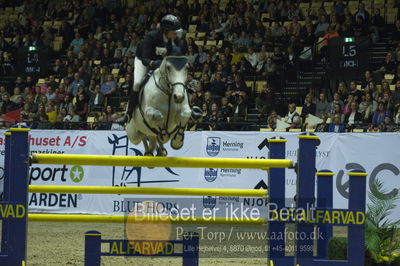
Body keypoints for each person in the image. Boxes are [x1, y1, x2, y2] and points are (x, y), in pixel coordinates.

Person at [120, 14, 201, 124]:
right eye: (174, 31)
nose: (177, 33)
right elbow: (145, 59)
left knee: (178, 80)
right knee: (137, 83)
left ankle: (189, 109)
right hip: (144, 60)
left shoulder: (176, 39)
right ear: (166, 31)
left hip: (162, 63)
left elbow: (177, 56)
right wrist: (154, 63)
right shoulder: (151, 37)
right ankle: (128, 114)